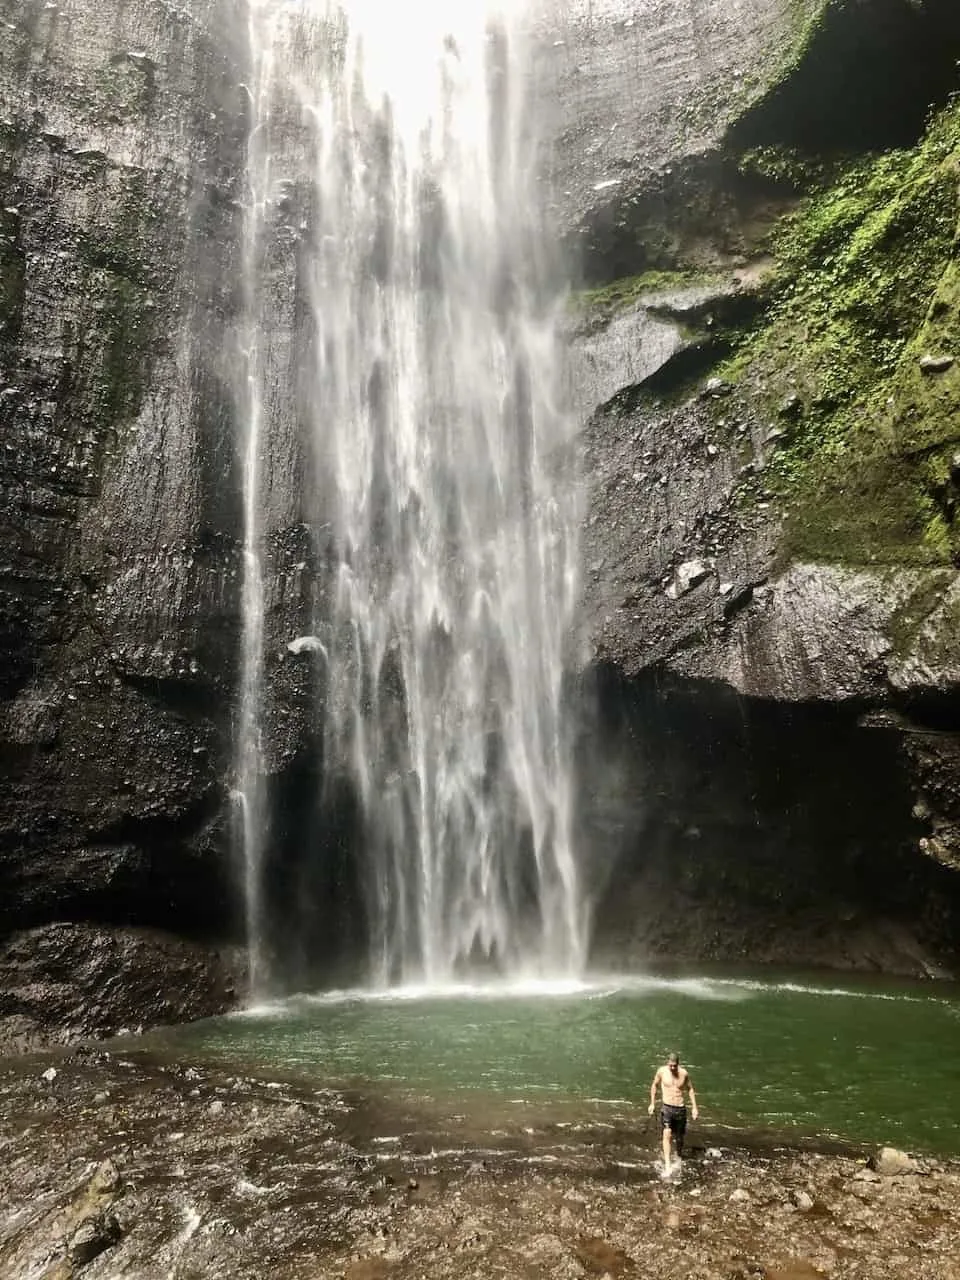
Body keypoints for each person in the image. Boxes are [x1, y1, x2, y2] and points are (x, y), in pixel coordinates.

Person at [648, 1051, 698, 1177]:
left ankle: (679, 1156)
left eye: (674, 1065)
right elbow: (654, 1085)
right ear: (667, 1063)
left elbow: (690, 1089)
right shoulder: (662, 1072)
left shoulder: (684, 1074)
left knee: (679, 1138)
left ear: (678, 1064)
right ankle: (668, 1164)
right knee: (667, 1133)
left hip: (680, 1109)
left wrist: (694, 1108)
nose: (672, 1068)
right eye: (670, 1065)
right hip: (667, 1108)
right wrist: (652, 1103)